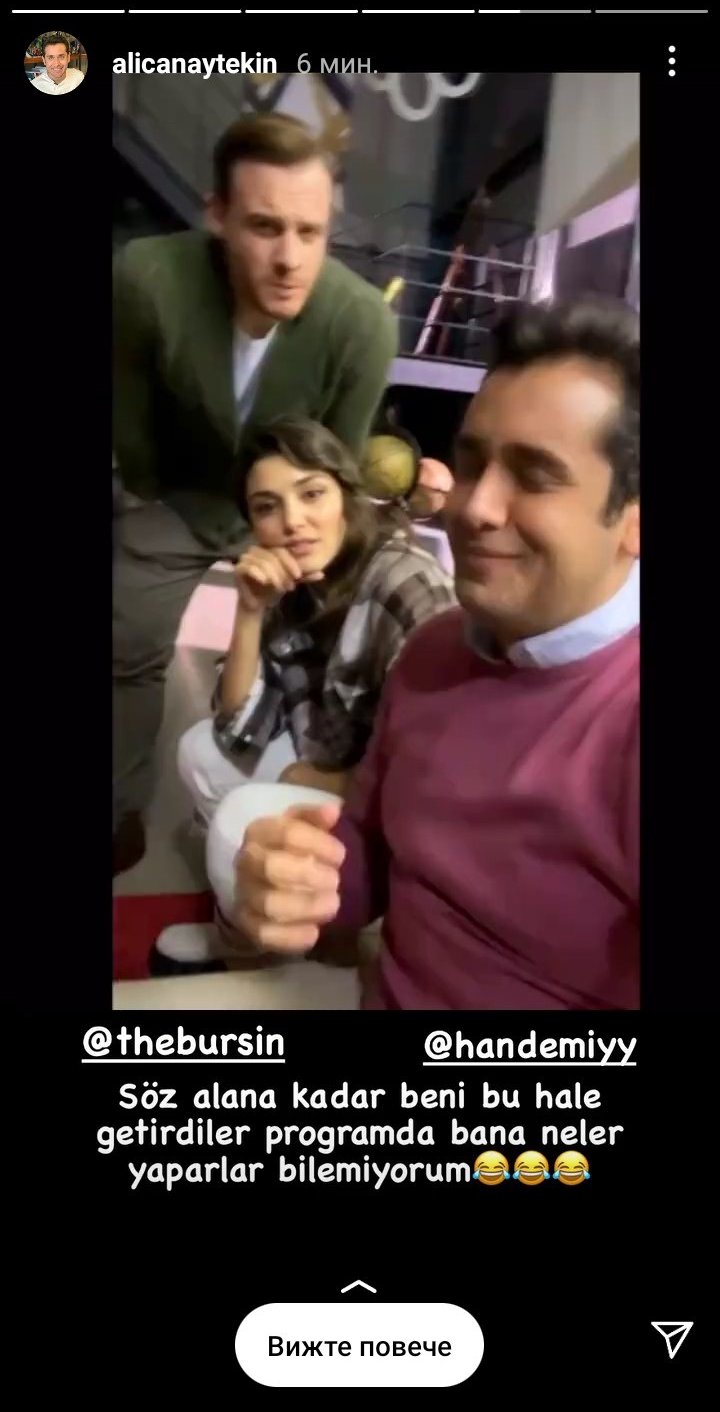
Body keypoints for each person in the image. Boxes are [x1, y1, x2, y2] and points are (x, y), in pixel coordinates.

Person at [231, 295, 641, 1010]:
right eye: (472, 463)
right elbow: (367, 863)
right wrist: (298, 883)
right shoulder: (432, 650)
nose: (475, 507)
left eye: (535, 476)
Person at [113, 113, 398, 875]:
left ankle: (306, 799)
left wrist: (296, 549)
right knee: (125, 644)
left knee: (319, 649)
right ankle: (118, 806)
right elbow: (130, 424)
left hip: (288, 507)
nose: (289, 259)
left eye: (310, 232)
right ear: (218, 216)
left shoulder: (362, 324)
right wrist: (151, 495)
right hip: (181, 493)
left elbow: (334, 470)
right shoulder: (147, 279)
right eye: (266, 227)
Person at [154, 416, 455, 970]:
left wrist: (324, 781)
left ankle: (254, 942)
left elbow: (441, 769)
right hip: (329, 754)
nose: (293, 521)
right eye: (267, 507)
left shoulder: (405, 583)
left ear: (346, 494)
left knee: (240, 818)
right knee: (200, 751)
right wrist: (250, 609)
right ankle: (289, 916)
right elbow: (235, 720)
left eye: (312, 494)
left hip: (398, 812)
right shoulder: (295, 577)